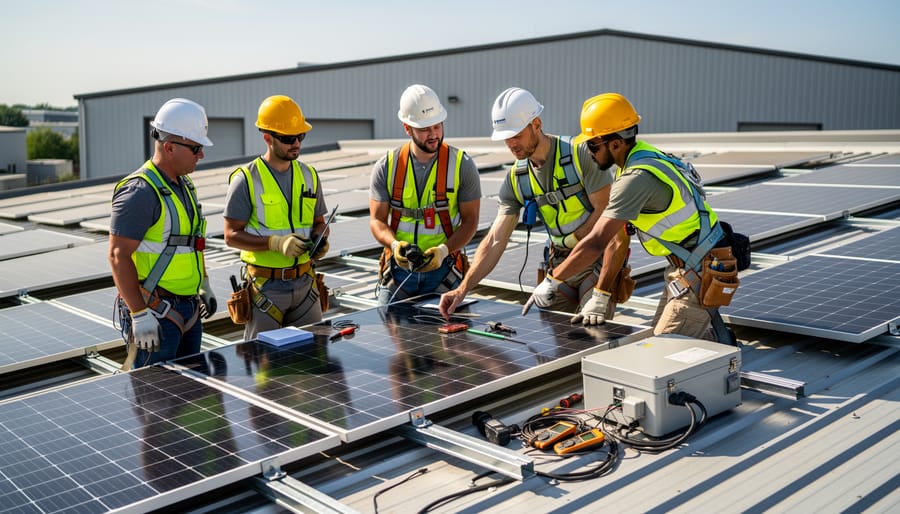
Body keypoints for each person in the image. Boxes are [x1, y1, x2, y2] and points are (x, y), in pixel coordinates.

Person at [525, 92, 738, 344]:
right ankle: (711, 339)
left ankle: (717, 347)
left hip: (699, 269)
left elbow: (596, 242)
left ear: (615, 144)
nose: (589, 153)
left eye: (593, 145)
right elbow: (617, 241)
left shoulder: (634, 181)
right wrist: (601, 294)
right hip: (686, 266)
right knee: (658, 339)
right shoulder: (643, 156)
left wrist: (552, 279)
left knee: (663, 349)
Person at [439, 87, 627, 321]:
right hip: (558, 263)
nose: (511, 144)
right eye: (506, 138)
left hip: (596, 260)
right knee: (560, 343)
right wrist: (462, 288)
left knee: (589, 332)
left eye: (516, 135)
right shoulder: (517, 179)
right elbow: (495, 241)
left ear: (536, 124)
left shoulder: (580, 156)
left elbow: (606, 212)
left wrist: (574, 239)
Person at [109, 98, 217, 368]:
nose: (201, 155)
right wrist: (138, 313)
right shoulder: (140, 192)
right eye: (196, 148)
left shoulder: (185, 185)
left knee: (192, 400)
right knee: (157, 402)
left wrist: (203, 283)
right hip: (156, 313)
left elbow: (193, 243)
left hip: (188, 310)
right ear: (169, 147)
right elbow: (117, 256)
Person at [223, 95, 329, 341]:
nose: (296, 143)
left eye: (300, 136)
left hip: (306, 285)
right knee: (265, 366)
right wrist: (275, 243)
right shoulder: (246, 179)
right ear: (268, 138)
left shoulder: (310, 175)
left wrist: (320, 240)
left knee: (313, 357)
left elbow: (319, 223)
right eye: (288, 138)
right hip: (265, 289)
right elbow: (230, 236)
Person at [370, 84, 481, 305]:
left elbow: (471, 221)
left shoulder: (462, 165)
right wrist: (394, 245)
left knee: (447, 337)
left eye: (437, 126)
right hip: (399, 273)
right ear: (407, 128)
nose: (433, 135)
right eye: (424, 129)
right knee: (389, 330)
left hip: (444, 272)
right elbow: (377, 220)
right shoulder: (387, 166)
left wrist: (443, 250)